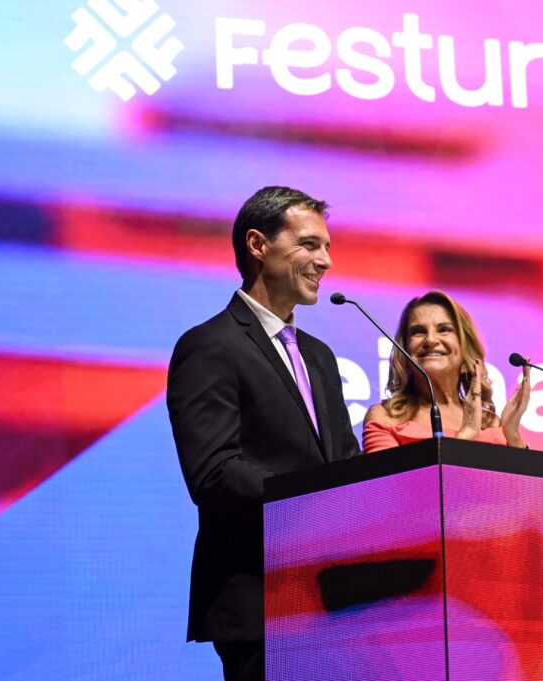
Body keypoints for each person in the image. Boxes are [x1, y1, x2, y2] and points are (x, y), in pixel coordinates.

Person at [167, 186, 361, 681]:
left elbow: (344, 462)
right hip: (260, 598)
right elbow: (213, 472)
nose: (326, 261)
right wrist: (314, 499)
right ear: (258, 245)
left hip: (330, 600)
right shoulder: (209, 345)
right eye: (309, 244)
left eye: (327, 247)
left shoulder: (319, 355)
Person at [362, 290, 531, 452]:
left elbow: (523, 474)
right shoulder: (386, 418)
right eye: (418, 332)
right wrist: (465, 435)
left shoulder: (491, 423)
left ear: (465, 348)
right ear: (404, 349)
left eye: (444, 329)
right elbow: (389, 475)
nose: (430, 339)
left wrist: (513, 434)